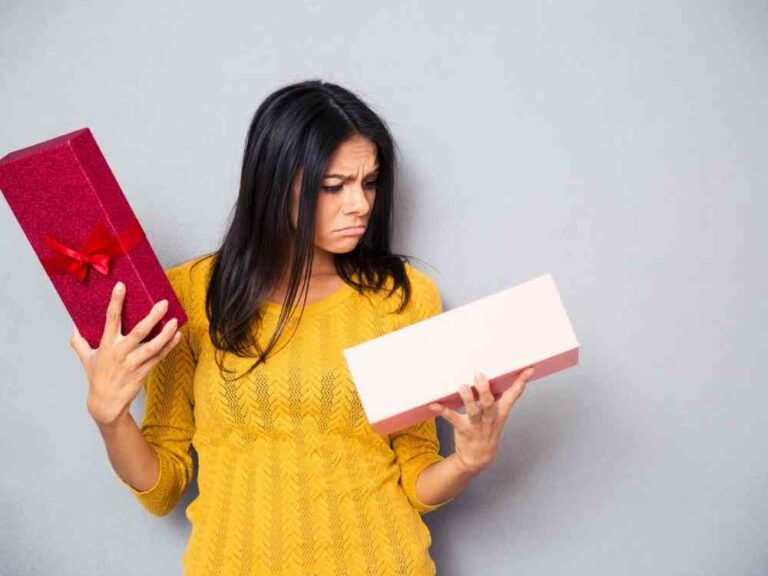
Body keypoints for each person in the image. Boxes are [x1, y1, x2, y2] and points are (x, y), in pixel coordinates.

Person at [69, 79, 535, 576]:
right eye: (334, 186)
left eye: (369, 182)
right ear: (274, 185)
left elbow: (415, 477)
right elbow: (162, 489)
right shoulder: (191, 296)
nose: (360, 204)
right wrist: (110, 418)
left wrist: (467, 462)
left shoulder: (403, 297)